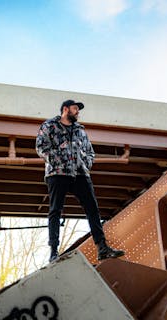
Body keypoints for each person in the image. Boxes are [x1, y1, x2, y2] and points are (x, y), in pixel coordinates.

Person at [36, 99, 125, 262]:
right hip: (58, 173)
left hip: (80, 174)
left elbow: (90, 152)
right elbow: (41, 147)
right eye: (75, 108)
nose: (78, 112)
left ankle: (102, 247)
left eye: (78, 109)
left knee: (92, 209)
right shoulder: (49, 126)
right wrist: (57, 160)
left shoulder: (80, 131)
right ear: (65, 109)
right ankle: (54, 252)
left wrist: (86, 163)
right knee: (55, 210)